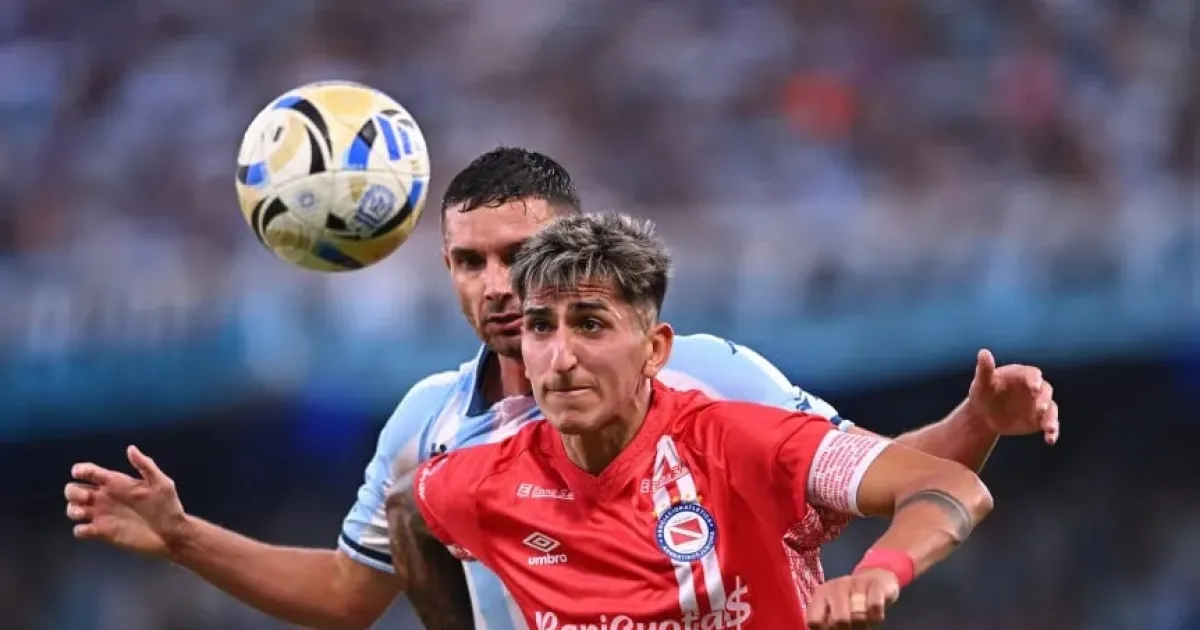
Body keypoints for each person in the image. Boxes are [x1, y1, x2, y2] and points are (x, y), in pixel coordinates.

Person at [63, 148, 1056, 630]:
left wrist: (973, 426)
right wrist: (186, 537)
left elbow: (878, 475)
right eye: (470, 262)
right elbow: (347, 592)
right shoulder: (432, 434)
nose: (498, 286)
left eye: (519, 256)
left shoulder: (710, 381)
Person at [388, 212, 995, 629]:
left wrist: (878, 574)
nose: (561, 357)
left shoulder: (740, 443)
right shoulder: (485, 480)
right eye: (541, 327)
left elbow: (949, 485)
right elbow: (411, 510)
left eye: (591, 325)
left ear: (654, 350)